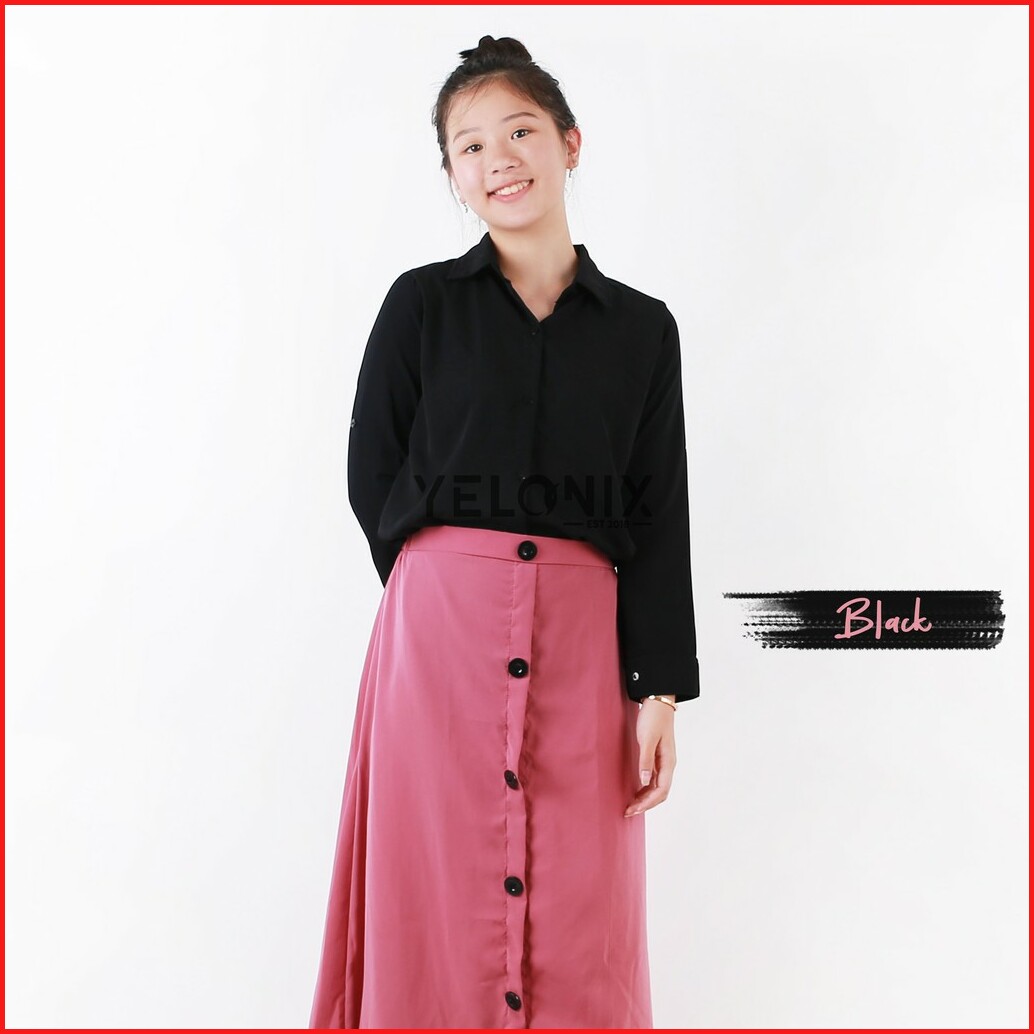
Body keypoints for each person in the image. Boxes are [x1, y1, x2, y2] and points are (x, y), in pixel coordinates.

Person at [309, 34, 700, 1030]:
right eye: (470, 147)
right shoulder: (421, 306)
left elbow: (657, 510)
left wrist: (658, 687)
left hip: (585, 647)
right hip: (439, 640)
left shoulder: (642, 329)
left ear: (570, 143)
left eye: (519, 131)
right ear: (453, 176)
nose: (499, 160)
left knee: (582, 897)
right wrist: (447, 584)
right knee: (433, 880)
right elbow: (371, 472)